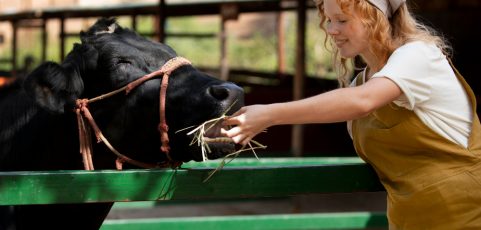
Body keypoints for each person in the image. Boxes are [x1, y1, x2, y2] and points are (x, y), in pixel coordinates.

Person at [222, 0, 481, 229]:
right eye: (329, 20)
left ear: (376, 18)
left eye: (342, 20)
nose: (332, 30)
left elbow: (363, 101)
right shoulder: (359, 83)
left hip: (464, 213)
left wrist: (268, 115)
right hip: (408, 219)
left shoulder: (418, 56)